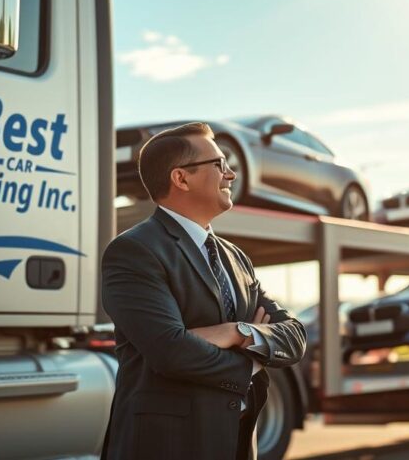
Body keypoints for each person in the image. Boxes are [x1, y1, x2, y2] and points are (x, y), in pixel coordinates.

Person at [101, 122, 306, 460]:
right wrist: (254, 359)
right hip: (167, 447)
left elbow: (294, 336)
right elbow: (172, 352)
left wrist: (237, 332)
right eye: (219, 164)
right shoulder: (134, 251)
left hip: (236, 446)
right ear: (181, 178)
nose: (231, 175)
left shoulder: (236, 257)